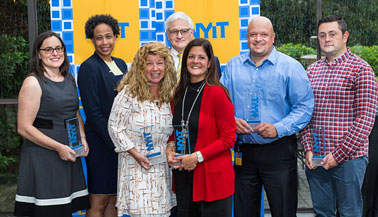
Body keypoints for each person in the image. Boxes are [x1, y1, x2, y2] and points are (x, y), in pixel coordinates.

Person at [220, 16, 314, 217]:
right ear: (247, 37)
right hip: (242, 153)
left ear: (273, 38)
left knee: (283, 211)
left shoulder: (291, 67)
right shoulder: (232, 67)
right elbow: (220, 104)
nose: (258, 39)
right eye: (253, 34)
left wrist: (278, 128)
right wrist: (230, 120)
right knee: (243, 212)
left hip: (278, 151)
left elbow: (304, 107)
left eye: (264, 34)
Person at [299, 15, 378, 217]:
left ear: (345, 36)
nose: (327, 39)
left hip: (350, 159)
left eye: (332, 34)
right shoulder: (311, 71)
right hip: (316, 155)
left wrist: (337, 155)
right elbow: (305, 113)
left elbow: (365, 121)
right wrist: (308, 148)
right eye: (322, 35)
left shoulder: (361, 70)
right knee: (322, 212)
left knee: (349, 212)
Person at [14, 31, 90, 217]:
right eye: (48, 49)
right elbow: (24, 127)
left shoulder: (69, 78)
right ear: (38, 54)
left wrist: (82, 138)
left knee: (64, 209)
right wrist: (58, 147)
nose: (54, 53)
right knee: (49, 211)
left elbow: (73, 112)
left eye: (58, 48)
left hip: (69, 151)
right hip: (44, 155)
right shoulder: (33, 82)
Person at [167, 38, 236, 217]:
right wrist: (171, 146)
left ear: (209, 63)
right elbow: (178, 128)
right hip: (184, 176)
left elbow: (229, 138)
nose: (195, 61)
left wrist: (196, 157)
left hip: (212, 180)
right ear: (185, 61)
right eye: (191, 57)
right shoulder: (178, 93)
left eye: (201, 57)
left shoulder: (218, 93)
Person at [108, 42, 177, 217]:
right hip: (136, 165)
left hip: (162, 168)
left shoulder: (170, 93)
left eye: (160, 63)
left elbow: (175, 129)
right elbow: (114, 127)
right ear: (140, 67)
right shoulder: (129, 93)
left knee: (162, 212)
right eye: (149, 63)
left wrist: (170, 147)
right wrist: (134, 153)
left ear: (166, 66)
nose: (155, 68)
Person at [77, 14, 127, 217]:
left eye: (109, 36)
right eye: (99, 38)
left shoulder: (122, 64)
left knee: (114, 200)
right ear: (92, 39)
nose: (105, 42)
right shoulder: (89, 67)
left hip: (120, 142)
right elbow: (93, 112)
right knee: (98, 200)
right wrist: (115, 142)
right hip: (101, 142)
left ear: (116, 36)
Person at [165, 11, 222, 80]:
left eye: (184, 31)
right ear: (168, 35)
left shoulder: (211, 61)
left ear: (192, 33)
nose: (179, 36)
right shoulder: (159, 60)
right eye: (174, 31)